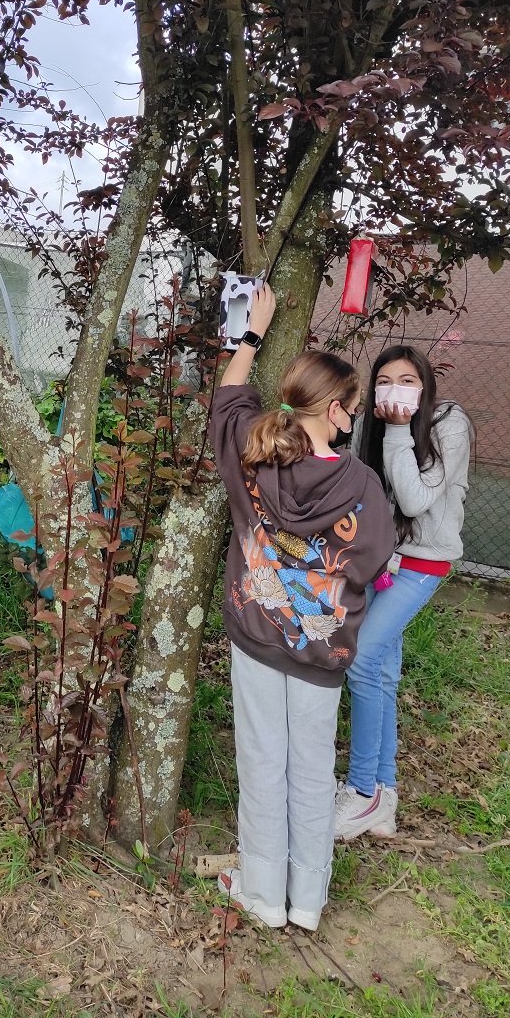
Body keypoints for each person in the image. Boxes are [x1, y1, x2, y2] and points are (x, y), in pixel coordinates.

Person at [208, 286, 394, 932]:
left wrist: (253, 333)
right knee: (312, 768)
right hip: (321, 647)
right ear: (337, 411)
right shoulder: (362, 485)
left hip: (259, 632)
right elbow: (371, 564)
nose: (353, 420)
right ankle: (307, 901)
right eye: (352, 410)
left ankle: (261, 895)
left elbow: (228, 401)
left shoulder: (252, 456)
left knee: (261, 758)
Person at [335, 345, 472, 842]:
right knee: (383, 673)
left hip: (421, 564)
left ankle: (361, 792)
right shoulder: (372, 427)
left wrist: (396, 429)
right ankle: (384, 796)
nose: (397, 389)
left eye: (409, 380)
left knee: (363, 660)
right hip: (380, 561)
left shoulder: (449, 423)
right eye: (386, 380)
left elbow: (414, 498)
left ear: (426, 385)